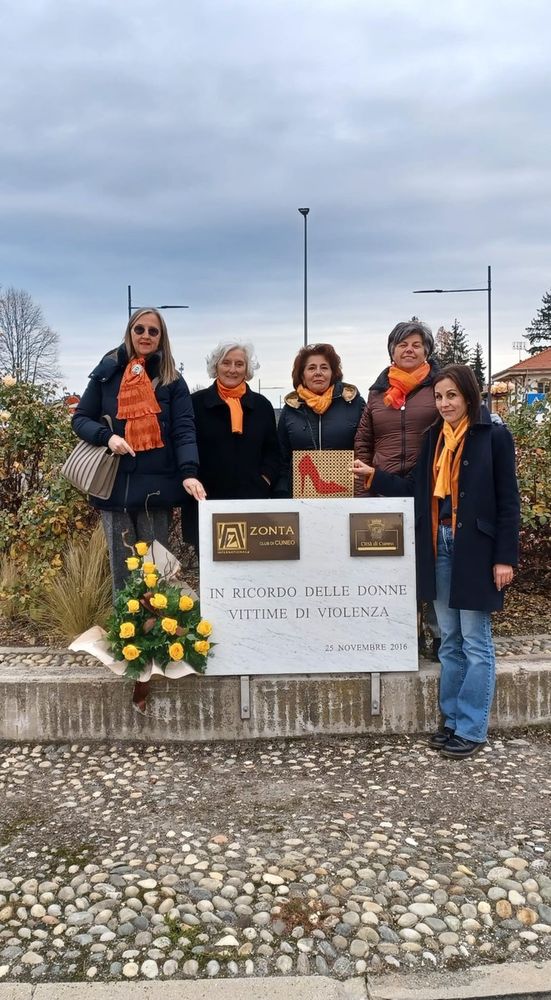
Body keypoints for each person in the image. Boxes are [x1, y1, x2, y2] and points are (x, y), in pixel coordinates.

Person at [352, 364, 520, 760]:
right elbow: (415, 490)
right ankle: (452, 721)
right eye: (440, 396)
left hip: (476, 548)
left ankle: (472, 728)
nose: (444, 403)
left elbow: (508, 502)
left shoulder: (493, 436)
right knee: (450, 640)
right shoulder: (434, 440)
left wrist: (505, 558)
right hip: (439, 544)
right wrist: (375, 476)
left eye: (452, 396)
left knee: (476, 641)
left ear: (468, 397)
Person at [72, 308, 205, 712]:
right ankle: (127, 652)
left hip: (157, 488)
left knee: (157, 570)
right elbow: (81, 418)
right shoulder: (106, 372)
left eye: (154, 330)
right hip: (114, 486)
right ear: (130, 332)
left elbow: (183, 429)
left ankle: (159, 649)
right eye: (139, 329)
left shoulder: (171, 379)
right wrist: (107, 437)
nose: (146, 335)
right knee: (121, 571)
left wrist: (188, 473)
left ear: (162, 337)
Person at [354, 320, 440, 658]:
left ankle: (436, 635)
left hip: (430, 488)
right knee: (391, 565)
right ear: (391, 350)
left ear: (427, 351)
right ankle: (403, 632)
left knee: (430, 563)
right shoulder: (377, 393)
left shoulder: (438, 387)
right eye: (402, 344)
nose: (409, 350)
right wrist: (362, 491)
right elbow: (364, 442)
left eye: (416, 344)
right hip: (383, 489)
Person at [181, 342, 281, 548]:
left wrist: (264, 480)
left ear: (247, 369)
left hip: (252, 502)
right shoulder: (194, 404)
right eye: (226, 363)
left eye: (239, 364)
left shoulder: (262, 406)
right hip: (206, 503)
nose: (232, 369)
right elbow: (184, 445)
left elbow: (273, 452)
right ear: (216, 366)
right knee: (211, 574)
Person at [276, 343, 365, 496]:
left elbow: (367, 449)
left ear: (333, 373)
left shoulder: (355, 403)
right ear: (302, 375)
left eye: (324, 367)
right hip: (300, 497)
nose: (318, 372)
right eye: (311, 368)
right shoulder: (291, 409)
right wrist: (282, 493)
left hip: (349, 493)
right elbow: (282, 457)